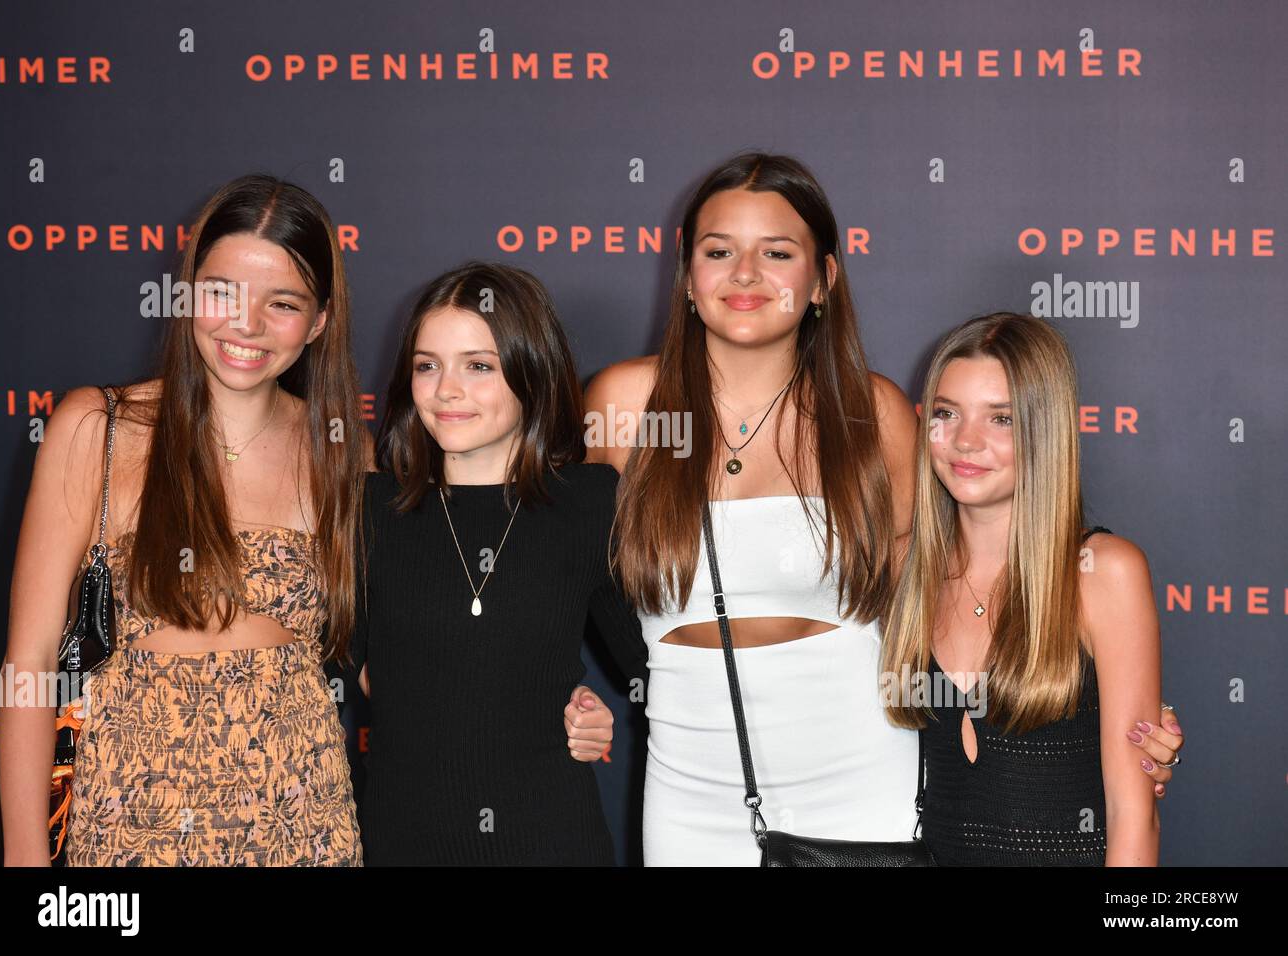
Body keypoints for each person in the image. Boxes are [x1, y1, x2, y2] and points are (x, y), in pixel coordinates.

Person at [584, 152, 1183, 865]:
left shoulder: (874, 415)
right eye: (720, 251)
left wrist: (1121, 726)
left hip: (862, 780)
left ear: (822, 281)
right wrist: (581, 695)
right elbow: (574, 578)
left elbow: (930, 589)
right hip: (689, 776)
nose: (745, 275)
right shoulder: (623, 407)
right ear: (686, 273)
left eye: (777, 252)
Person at [0, 174, 367, 866]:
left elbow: (406, 647)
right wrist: (26, 860)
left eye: (282, 303)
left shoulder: (345, 450)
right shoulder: (95, 429)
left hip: (301, 820)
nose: (246, 325)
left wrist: (551, 705)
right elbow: (30, 663)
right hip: (129, 819)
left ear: (319, 321)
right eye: (223, 291)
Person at [351, 260, 648, 865]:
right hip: (401, 837)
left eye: (479, 366)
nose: (446, 390)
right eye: (427, 366)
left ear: (532, 372)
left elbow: (658, 664)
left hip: (550, 837)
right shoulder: (368, 509)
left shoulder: (591, 502)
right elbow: (342, 671)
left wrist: (590, 713)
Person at [881, 313, 1165, 865]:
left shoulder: (1102, 573)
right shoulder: (904, 570)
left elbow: (1134, 814)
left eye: (1002, 419)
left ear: (1046, 429)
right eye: (946, 414)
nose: (965, 440)